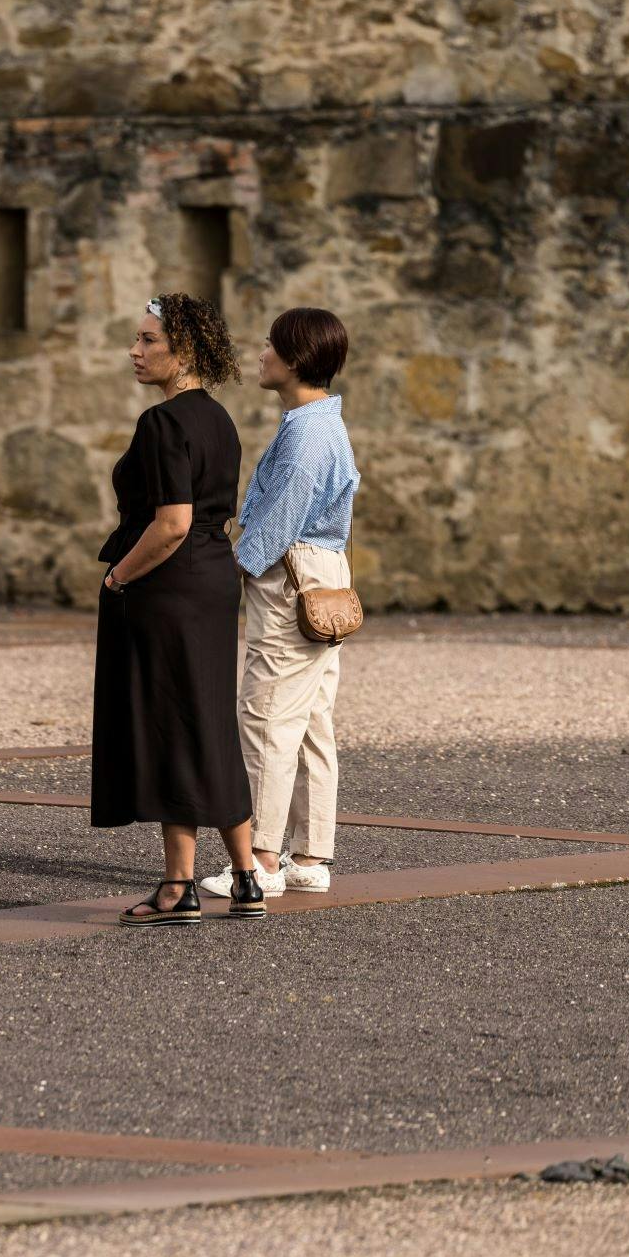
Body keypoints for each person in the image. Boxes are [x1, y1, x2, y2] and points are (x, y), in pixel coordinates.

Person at [93, 294, 264, 926]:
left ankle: (177, 886)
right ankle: (246, 876)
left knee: (173, 725)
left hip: (170, 585)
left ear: (184, 350)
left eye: (148, 341)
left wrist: (118, 578)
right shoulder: (220, 419)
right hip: (213, 580)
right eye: (135, 340)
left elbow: (170, 525)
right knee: (209, 719)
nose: (134, 352)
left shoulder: (162, 424)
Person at [202, 307, 360, 902]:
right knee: (312, 717)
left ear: (295, 361)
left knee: (268, 716)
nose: (261, 354)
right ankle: (310, 855)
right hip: (322, 575)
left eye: (271, 346)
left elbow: (277, 524)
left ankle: (264, 857)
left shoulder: (307, 433)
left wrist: (224, 570)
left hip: (293, 577)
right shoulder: (320, 423)